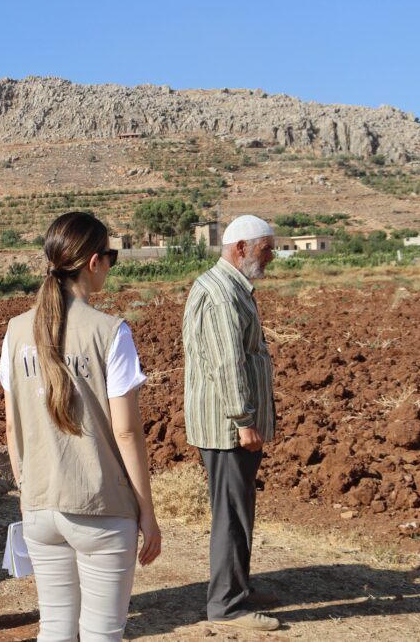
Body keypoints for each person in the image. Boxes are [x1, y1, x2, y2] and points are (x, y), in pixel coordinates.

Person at [1, 212, 161, 642]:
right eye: (111, 256)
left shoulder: (15, 332)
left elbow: (13, 428)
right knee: (101, 633)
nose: (110, 264)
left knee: (55, 629)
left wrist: (27, 492)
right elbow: (126, 433)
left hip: (40, 507)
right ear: (93, 262)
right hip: (101, 508)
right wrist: (146, 512)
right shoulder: (111, 333)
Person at [182, 214, 280, 632]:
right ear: (241, 248)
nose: (272, 256)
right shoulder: (223, 294)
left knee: (238, 509)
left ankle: (237, 587)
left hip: (229, 423)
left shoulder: (228, 286)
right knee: (231, 515)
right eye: (266, 248)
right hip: (228, 427)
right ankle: (226, 606)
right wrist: (244, 420)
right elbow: (227, 363)